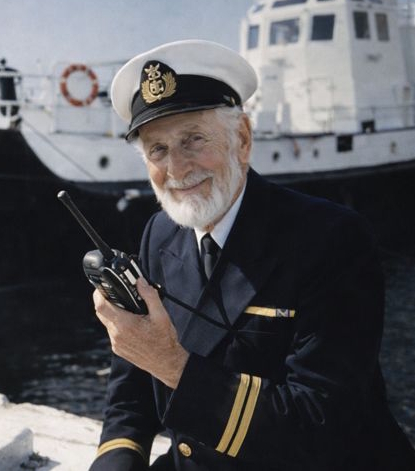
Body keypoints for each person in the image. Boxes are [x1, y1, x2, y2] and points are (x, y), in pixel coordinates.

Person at [89, 40, 415, 471]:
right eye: (158, 150)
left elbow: (321, 422)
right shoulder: (159, 234)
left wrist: (172, 365)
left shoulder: (330, 239)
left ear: (242, 138)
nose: (177, 169)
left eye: (193, 140)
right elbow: (130, 394)